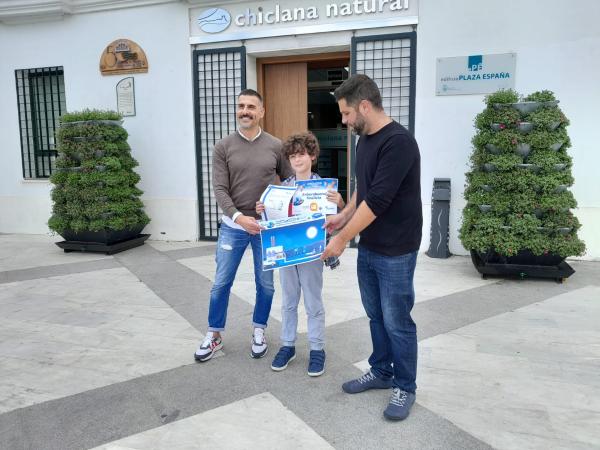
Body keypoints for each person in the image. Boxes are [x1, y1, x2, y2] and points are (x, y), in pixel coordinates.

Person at [321, 74, 422, 421]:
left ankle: (405, 386)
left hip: (397, 248)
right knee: (376, 315)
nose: (344, 120)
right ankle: (381, 370)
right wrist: (343, 217)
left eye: (347, 113)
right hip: (371, 245)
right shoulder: (364, 140)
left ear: (364, 106)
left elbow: (378, 200)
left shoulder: (399, 143)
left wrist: (340, 239)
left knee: (397, 320)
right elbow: (363, 189)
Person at [194, 89, 292, 362]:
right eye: (241, 106)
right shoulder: (223, 146)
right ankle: (214, 334)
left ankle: (259, 330)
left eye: (251, 106)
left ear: (261, 112)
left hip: (265, 229)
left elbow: (290, 181)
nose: (245, 111)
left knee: (266, 285)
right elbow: (220, 189)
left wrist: (282, 207)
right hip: (233, 226)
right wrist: (239, 217)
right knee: (221, 283)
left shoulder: (276, 146)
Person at [256, 132, 344, 376]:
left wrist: (340, 203)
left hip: (312, 252)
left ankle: (317, 349)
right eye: (293, 156)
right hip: (286, 252)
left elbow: (338, 220)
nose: (297, 159)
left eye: (302, 154)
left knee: (313, 301)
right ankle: (288, 345)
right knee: (288, 301)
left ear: (312, 156)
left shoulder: (324, 188)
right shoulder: (281, 189)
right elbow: (271, 220)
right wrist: (263, 209)